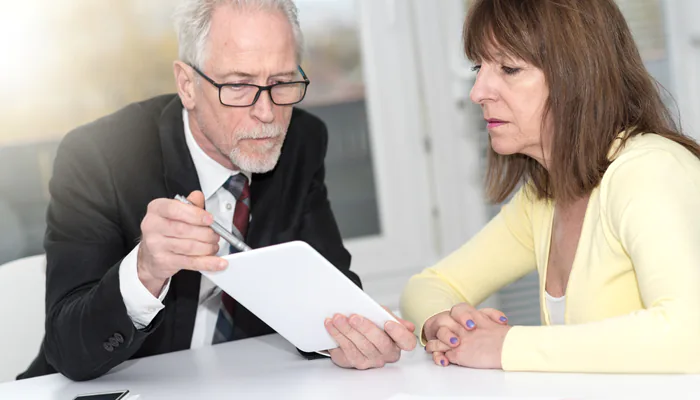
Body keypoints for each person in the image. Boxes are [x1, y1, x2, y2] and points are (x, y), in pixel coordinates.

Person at [18, 0, 416, 381]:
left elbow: (326, 288)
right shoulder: (98, 157)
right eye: (239, 85)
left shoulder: (302, 141)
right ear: (187, 85)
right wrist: (146, 271)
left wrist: (349, 338)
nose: (267, 113)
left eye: (281, 82)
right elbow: (68, 348)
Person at [400, 0, 700, 374]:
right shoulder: (544, 198)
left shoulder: (650, 171)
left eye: (509, 68)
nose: (478, 92)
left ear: (578, 76)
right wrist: (445, 325)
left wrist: (505, 346)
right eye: (480, 67)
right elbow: (428, 286)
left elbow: (691, 337)